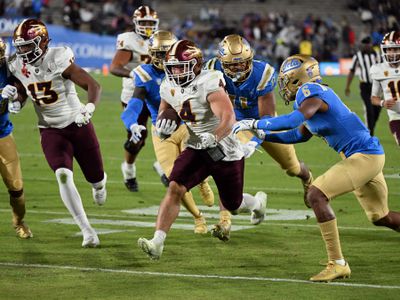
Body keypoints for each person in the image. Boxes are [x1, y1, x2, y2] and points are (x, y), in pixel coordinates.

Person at [233, 54, 400, 282]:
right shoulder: (314, 96)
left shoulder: (309, 91)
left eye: (286, 80)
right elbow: (297, 135)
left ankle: (338, 263)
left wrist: (255, 123)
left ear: (298, 78)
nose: (284, 85)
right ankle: (338, 262)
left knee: (316, 194)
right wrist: (262, 135)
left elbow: (293, 121)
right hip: (366, 156)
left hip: (363, 157)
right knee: (381, 217)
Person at [137, 40, 266, 259]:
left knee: (233, 205)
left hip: (226, 150)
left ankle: (257, 203)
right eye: (172, 67)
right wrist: (163, 126)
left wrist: (214, 136)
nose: (176, 72)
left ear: (196, 65)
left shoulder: (209, 81)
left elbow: (228, 117)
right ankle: (157, 242)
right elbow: (165, 109)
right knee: (175, 187)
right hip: (197, 146)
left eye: (181, 67)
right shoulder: (168, 85)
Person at [5, 19, 107, 248]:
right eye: (19, 46)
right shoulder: (16, 64)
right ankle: (86, 230)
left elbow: (94, 85)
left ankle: (99, 185)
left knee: (96, 178)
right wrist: (17, 101)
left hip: (77, 124)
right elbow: (23, 90)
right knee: (62, 175)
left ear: (41, 42)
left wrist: (89, 108)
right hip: (50, 129)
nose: (22, 51)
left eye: (27, 46)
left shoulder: (57, 57)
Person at [204, 34, 312, 232]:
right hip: (233, 122)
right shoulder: (212, 69)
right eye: (232, 65)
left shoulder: (262, 73)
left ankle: (307, 178)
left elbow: (266, 117)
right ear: (221, 62)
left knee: (292, 167)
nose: (237, 69)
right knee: (224, 164)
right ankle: (225, 220)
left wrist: (254, 141)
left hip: (264, 122)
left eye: (242, 64)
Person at [120, 30, 214, 234]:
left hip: (189, 126)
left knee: (200, 165)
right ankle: (198, 217)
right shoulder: (144, 74)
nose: (162, 58)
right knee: (175, 179)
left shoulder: (187, 68)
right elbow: (134, 105)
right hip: (162, 130)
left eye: (166, 53)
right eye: (158, 53)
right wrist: (132, 124)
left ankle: (202, 180)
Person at [110, 5, 167, 192]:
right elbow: (115, 67)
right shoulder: (129, 41)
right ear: (135, 23)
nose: (148, 26)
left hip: (160, 92)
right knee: (137, 138)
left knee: (168, 130)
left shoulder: (162, 39)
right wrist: (136, 74)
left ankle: (163, 165)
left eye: (151, 23)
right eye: (144, 23)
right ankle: (128, 169)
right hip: (136, 93)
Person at [0, 38, 32, 239]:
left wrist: (18, 101)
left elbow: (26, 88)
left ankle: (18, 221)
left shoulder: (9, 66)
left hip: (2, 135)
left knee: (17, 189)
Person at [345, 36, 381, 135]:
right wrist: (347, 86)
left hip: (377, 86)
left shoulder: (377, 54)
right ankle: (370, 134)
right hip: (365, 86)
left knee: (377, 111)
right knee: (369, 110)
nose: (365, 46)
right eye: (363, 45)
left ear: (370, 44)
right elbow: (351, 71)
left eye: (367, 44)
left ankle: (370, 128)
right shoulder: (358, 56)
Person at [370, 31, 400, 146]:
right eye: (389, 49)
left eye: (395, 49)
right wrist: (383, 102)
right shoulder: (379, 70)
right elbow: (374, 98)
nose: (392, 53)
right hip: (396, 116)